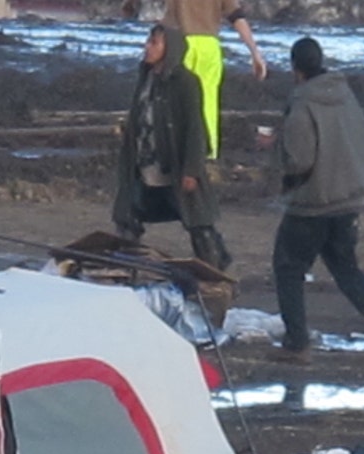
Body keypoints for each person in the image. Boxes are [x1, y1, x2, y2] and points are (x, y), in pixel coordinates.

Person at [270, 37, 364, 367]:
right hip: (349, 200)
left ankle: (297, 343)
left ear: (295, 69)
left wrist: (277, 149)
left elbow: (299, 160)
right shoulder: (346, 96)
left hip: (312, 203)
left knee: (288, 268)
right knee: (345, 268)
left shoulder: (302, 103)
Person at [112, 24, 230, 271]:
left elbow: (195, 128)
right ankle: (124, 269)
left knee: (198, 222)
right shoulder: (146, 78)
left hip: (174, 166)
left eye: (154, 43)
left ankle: (214, 269)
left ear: (170, 48)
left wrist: (192, 169)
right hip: (145, 164)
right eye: (148, 42)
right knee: (128, 215)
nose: (148, 47)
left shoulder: (186, 82)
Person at [131, 0, 267, 160]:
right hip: (209, 46)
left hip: (180, 43)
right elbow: (236, 16)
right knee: (208, 102)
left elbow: (159, 14)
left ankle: (176, 152)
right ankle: (207, 153)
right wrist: (254, 53)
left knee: (174, 101)